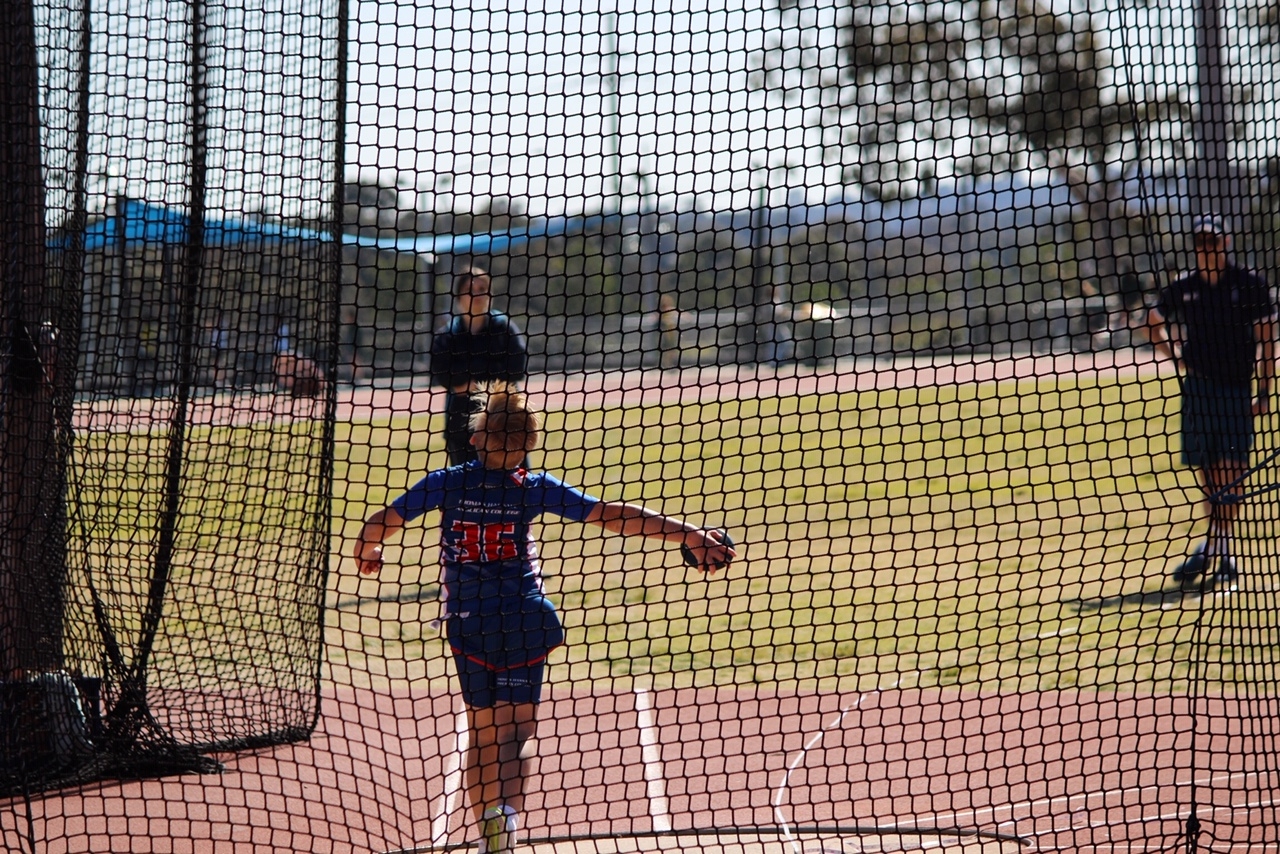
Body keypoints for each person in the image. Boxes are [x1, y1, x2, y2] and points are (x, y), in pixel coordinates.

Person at [352, 384, 737, 854]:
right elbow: (612, 516)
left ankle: (486, 830)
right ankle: (506, 820)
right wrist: (691, 534)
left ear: (475, 439)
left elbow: (381, 524)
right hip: (526, 619)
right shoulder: (534, 488)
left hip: (470, 624)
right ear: (529, 444)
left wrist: (368, 549)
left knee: (482, 730)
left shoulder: (445, 483)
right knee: (517, 732)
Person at [1146, 214, 1277, 592]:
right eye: (1201, 242)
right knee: (1209, 478)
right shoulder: (1183, 287)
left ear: (1226, 242)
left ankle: (1214, 549)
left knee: (1231, 473)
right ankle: (1221, 552)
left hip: (1237, 389)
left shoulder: (1250, 285)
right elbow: (1151, 320)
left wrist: (1264, 390)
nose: (1207, 248)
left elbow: (1268, 341)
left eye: (1213, 241)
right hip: (1199, 390)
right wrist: (1173, 355)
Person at [430, 268, 529, 465]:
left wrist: (472, 381)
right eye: (469, 289)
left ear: (490, 294)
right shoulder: (448, 335)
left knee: (516, 486)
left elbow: (517, 368)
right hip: (461, 423)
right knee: (464, 489)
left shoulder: (504, 328)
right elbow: (444, 376)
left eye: (482, 288)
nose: (476, 294)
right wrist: (492, 374)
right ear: (458, 297)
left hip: (506, 419)